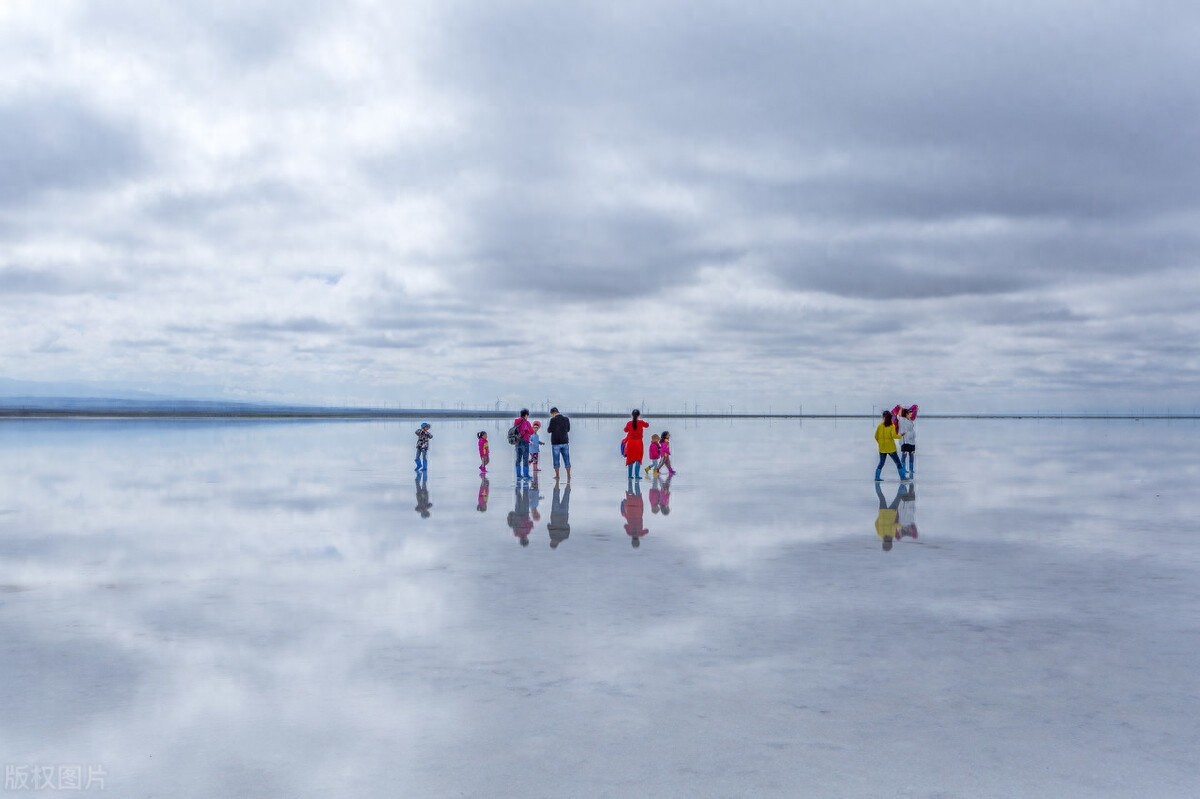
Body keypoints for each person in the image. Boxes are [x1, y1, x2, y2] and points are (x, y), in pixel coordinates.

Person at [874, 410, 906, 481]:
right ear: (890, 418)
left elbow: (876, 436)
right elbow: (894, 436)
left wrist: (880, 443)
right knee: (898, 463)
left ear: (883, 417)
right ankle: (902, 477)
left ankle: (876, 477)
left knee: (881, 463)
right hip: (891, 448)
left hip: (882, 448)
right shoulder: (892, 426)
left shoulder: (880, 426)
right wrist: (901, 435)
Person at [623, 409, 650, 480]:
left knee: (630, 458)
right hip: (639, 443)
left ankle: (630, 475)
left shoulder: (629, 423)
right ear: (639, 415)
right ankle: (637, 475)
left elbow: (625, 430)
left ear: (632, 415)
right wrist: (642, 420)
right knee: (638, 459)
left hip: (631, 443)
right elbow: (647, 425)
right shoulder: (641, 422)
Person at [875, 482, 902, 551]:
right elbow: (876, 523)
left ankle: (903, 485)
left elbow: (894, 526)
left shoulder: (891, 534)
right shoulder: (880, 534)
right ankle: (877, 485)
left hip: (891, 513)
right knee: (881, 497)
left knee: (898, 497)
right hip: (882, 512)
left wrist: (901, 526)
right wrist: (880, 517)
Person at [622, 479, 649, 547]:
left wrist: (641, 534)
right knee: (630, 490)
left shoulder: (640, 533)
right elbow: (625, 525)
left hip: (638, 507)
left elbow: (647, 530)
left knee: (637, 491)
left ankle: (636, 481)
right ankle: (630, 480)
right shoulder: (629, 532)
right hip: (630, 507)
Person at [547, 407, 572, 482]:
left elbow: (549, 430)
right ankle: (568, 475)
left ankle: (557, 476)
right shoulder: (566, 419)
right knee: (567, 459)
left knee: (556, 460)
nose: (551, 416)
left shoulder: (553, 420)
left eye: (551, 414)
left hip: (556, 443)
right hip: (565, 442)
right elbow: (568, 429)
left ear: (553, 413)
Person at [512, 409, 533, 480]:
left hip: (517, 441)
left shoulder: (516, 422)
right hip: (525, 441)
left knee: (518, 458)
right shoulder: (526, 422)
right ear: (526, 415)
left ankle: (518, 475)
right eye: (527, 415)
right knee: (525, 458)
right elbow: (531, 432)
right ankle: (526, 475)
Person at [548, 484, 570, 549]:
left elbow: (568, 527)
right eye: (552, 542)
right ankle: (562, 482)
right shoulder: (553, 535)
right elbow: (549, 526)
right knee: (556, 496)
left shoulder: (565, 537)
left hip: (563, 515)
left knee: (566, 497)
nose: (552, 541)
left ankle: (567, 482)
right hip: (556, 514)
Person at [898, 407, 917, 478]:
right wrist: (900, 408)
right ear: (906, 414)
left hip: (912, 441)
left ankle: (911, 469)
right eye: (910, 413)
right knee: (904, 454)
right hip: (905, 440)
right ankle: (903, 469)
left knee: (911, 454)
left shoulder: (910, 420)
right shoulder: (902, 420)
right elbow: (898, 416)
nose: (911, 414)